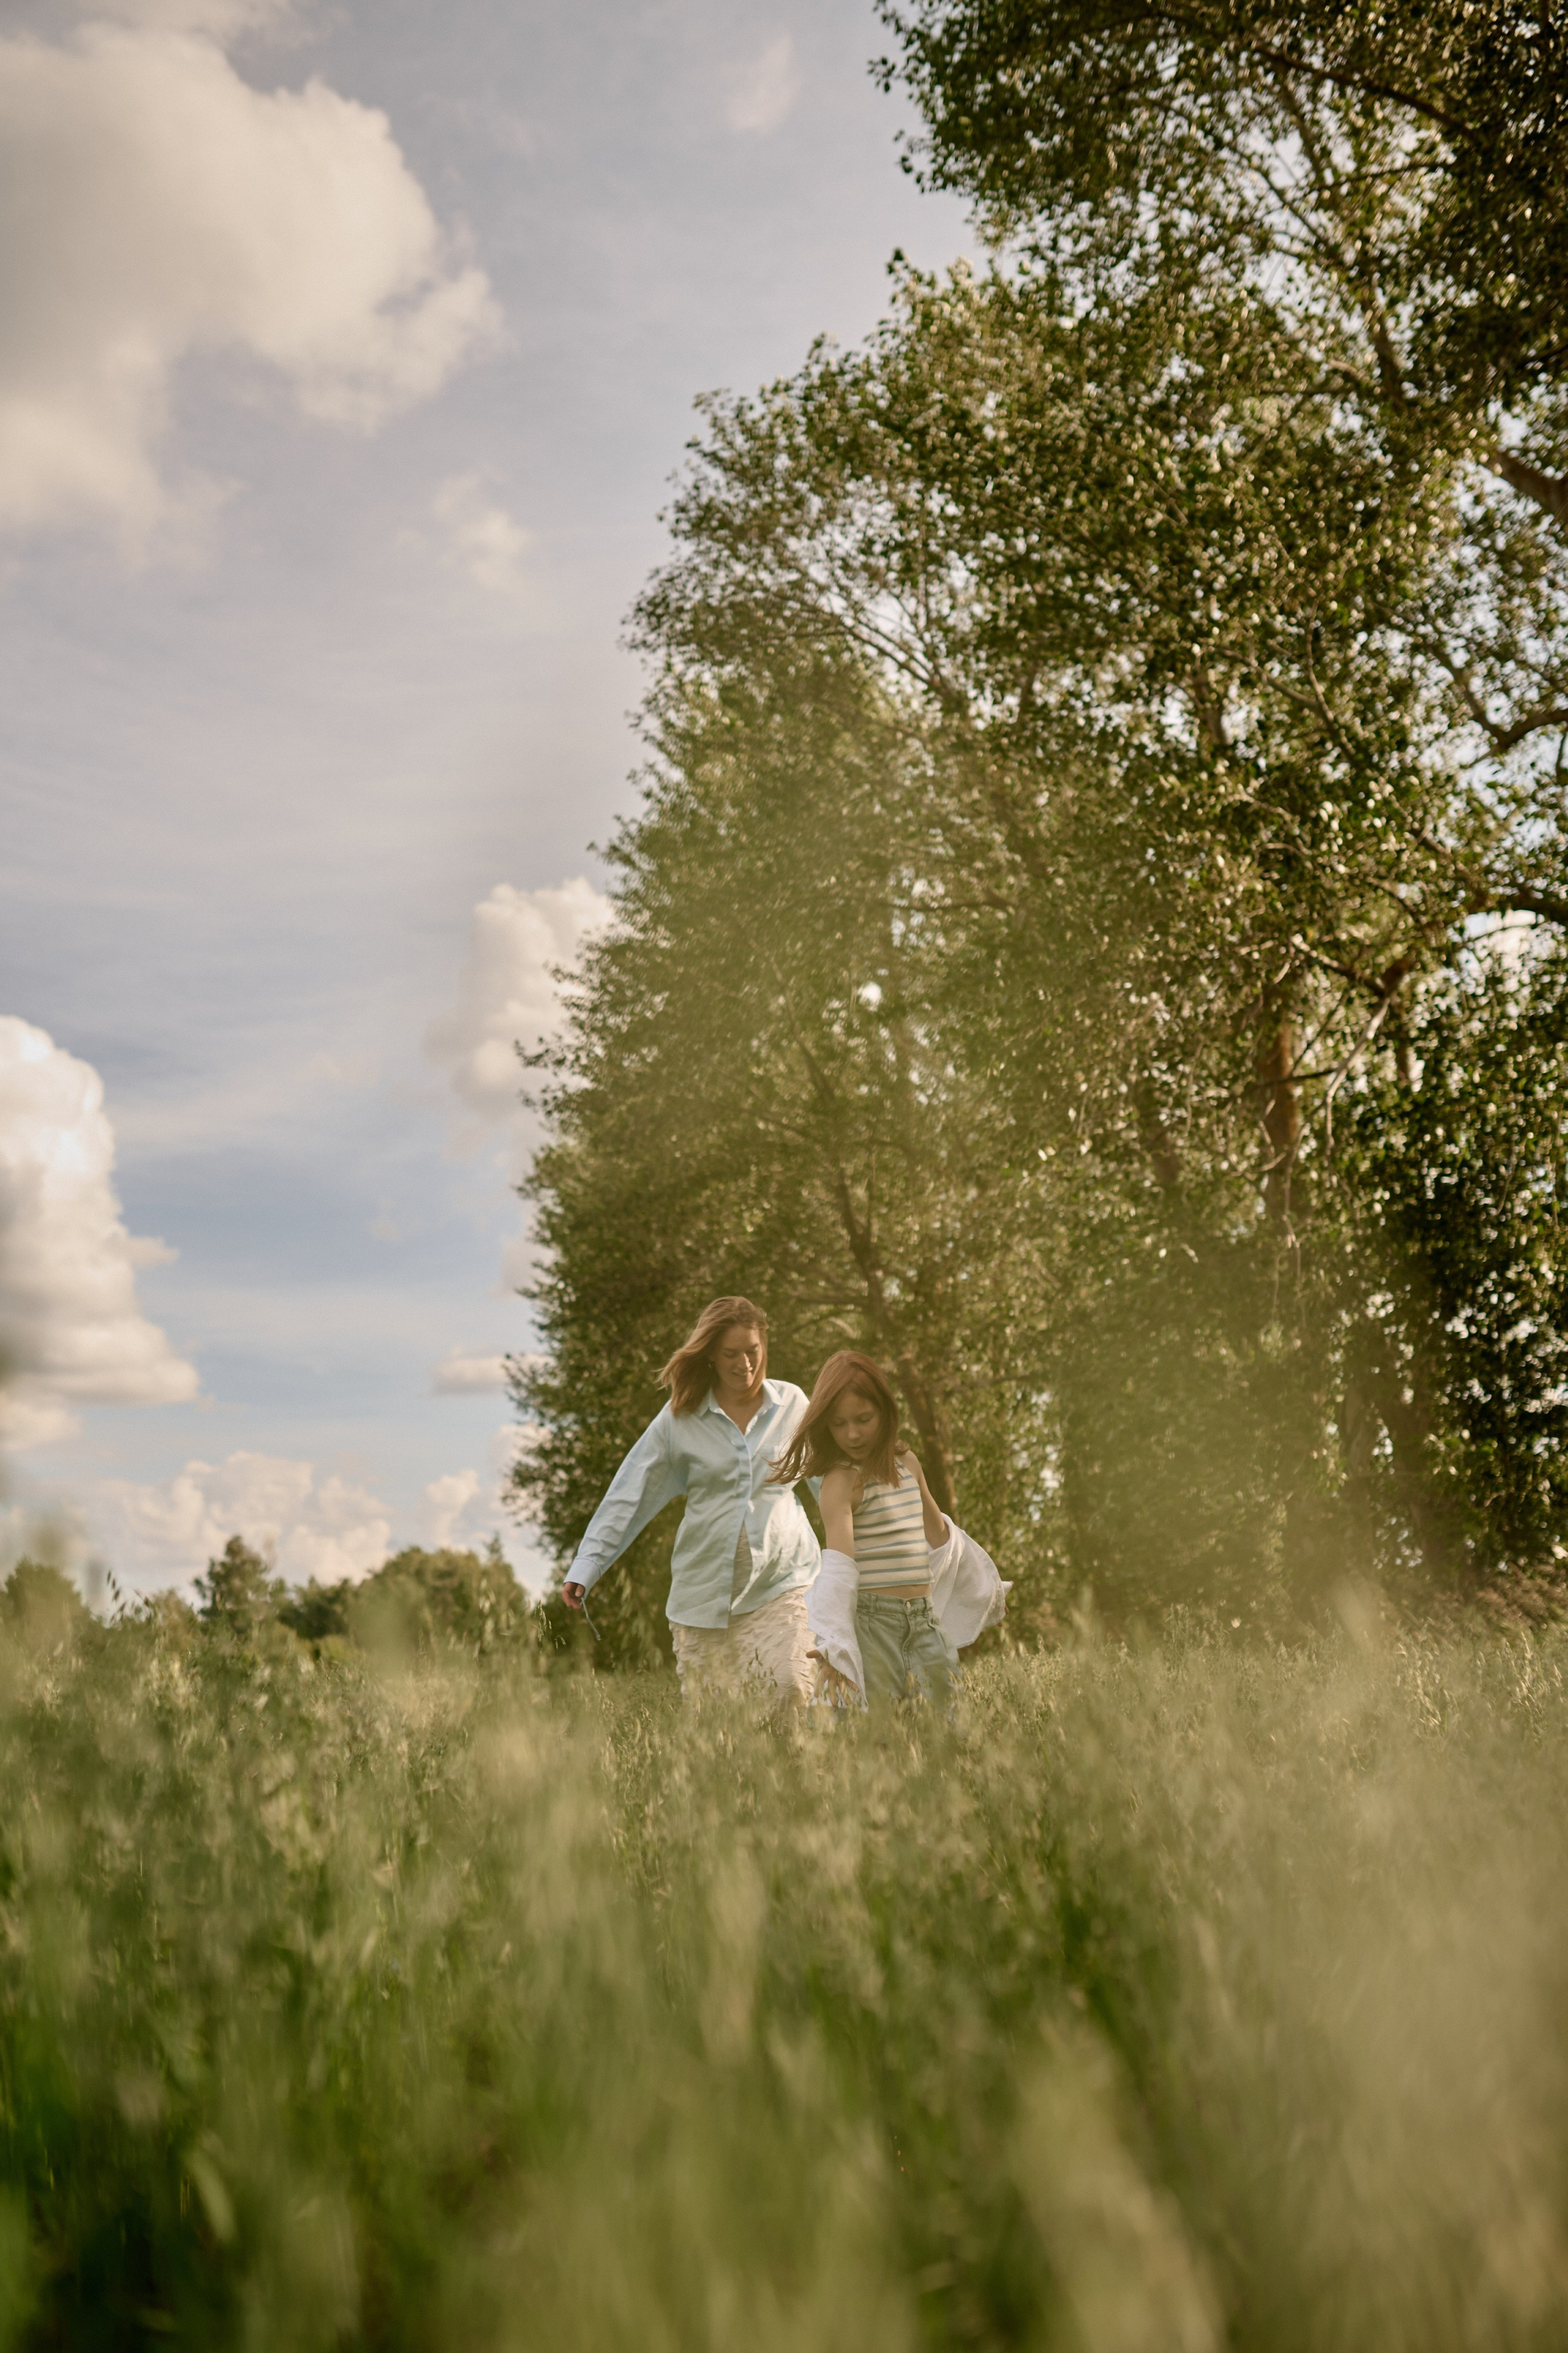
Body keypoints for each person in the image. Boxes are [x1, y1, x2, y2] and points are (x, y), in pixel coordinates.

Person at [561, 1297, 819, 1707]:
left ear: (765, 1345)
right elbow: (631, 1493)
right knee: (718, 1732)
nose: (745, 1365)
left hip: (783, 1586)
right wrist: (587, 1565)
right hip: (703, 1601)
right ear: (712, 1356)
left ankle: (801, 1772)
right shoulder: (679, 1418)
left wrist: (871, 1552)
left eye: (752, 1352)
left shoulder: (793, 1406)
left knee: (791, 1689)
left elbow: (835, 1482)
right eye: (731, 1354)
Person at [769, 1350, 1008, 1709]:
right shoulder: (841, 1483)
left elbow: (943, 1539)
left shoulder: (908, 1464)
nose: (852, 1434)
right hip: (873, 1628)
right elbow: (839, 1570)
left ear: (885, 1411)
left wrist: (984, 1586)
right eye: (839, 1424)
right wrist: (834, 1645)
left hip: (925, 1622)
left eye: (864, 1419)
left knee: (946, 1726)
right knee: (878, 1735)